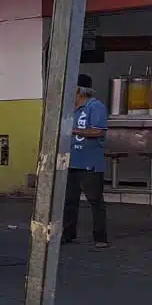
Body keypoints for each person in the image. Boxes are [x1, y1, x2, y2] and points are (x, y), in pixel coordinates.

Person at [64, 73, 110, 249]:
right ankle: (68, 234)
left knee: (95, 201)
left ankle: (100, 237)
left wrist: (73, 131)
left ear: (79, 90)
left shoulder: (95, 106)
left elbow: (98, 131)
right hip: (72, 161)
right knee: (69, 200)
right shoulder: (71, 108)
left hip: (90, 163)